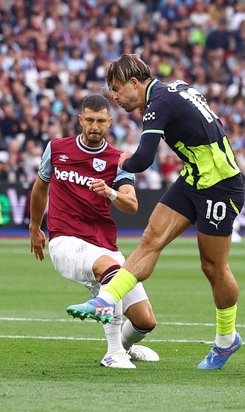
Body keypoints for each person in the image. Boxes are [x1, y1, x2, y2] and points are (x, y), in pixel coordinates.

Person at [66, 54, 245, 370]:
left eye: (118, 89)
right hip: (195, 177)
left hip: (220, 184)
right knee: (151, 239)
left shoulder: (158, 102)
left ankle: (225, 339)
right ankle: (106, 300)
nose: (116, 98)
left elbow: (143, 159)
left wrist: (118, 161)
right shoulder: (173, 88)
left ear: (135, 83)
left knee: (213, 266)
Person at [30, 95, 159, 369]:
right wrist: (34, 227)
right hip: (65, 240)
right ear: (80, 120)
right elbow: (41, 187)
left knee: (145, 320)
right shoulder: (56, 149)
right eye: (89, 120)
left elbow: (132, 205)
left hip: (104, 243)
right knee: (110, 269)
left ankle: (125, 346)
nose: (94, 126)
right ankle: (113, 353)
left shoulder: (119, 160)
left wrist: (110, 192)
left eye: (101, 121)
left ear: (110, 122)